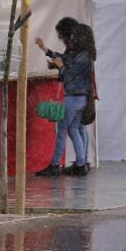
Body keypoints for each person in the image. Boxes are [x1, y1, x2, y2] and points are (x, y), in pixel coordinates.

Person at [35, 18, 94, 177]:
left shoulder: (83, 56)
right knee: (73, 129)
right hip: (80, 99)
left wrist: (60, 65)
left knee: (62, 130)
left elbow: (69, 75)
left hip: (73, 98)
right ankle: (81, 164)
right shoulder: (84, 54)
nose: (71, 39)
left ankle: (55, 165)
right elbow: (64, 58)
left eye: (75, 36)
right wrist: (45, 49)